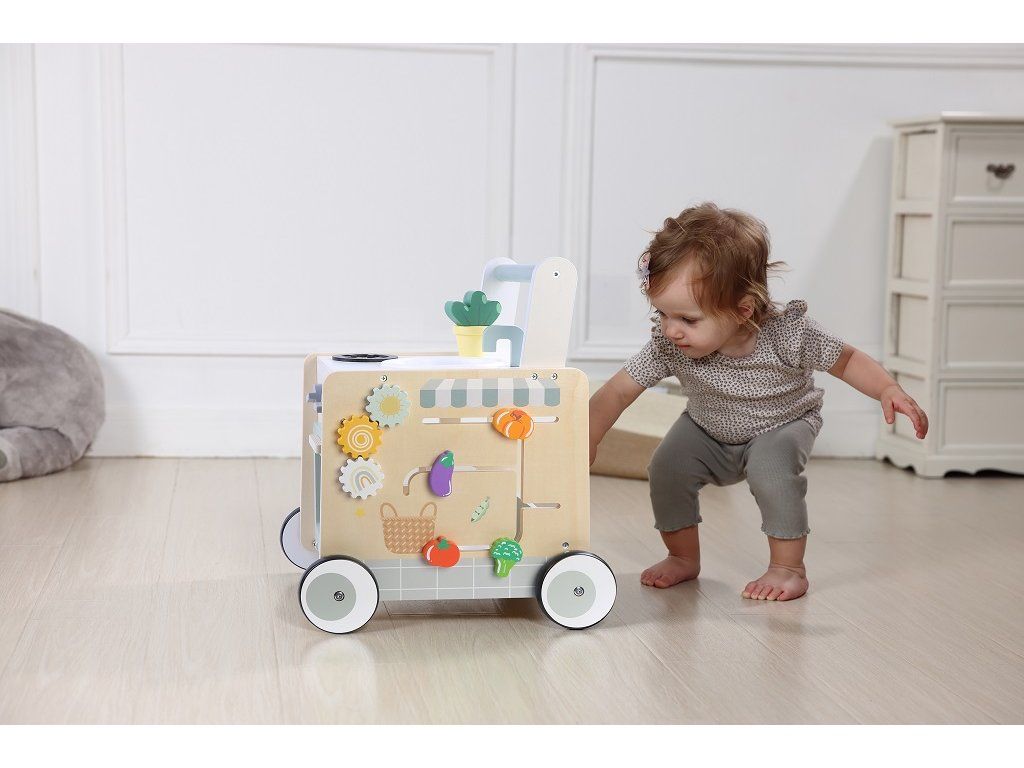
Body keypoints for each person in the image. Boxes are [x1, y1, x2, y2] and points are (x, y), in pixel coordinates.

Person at [588, 203, 928, 601]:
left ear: (742, 309)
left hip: (781, 423)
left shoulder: (789, 335)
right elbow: (618, 390)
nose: (671, 329)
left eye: (688, 319)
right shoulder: (668, 345)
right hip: (706, 426)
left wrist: (887, 389)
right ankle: (682, 557)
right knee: (666, 468)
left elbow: (847, 360)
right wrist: (588, 436)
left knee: (772, 470)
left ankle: (788, 569)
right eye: (663, 314)